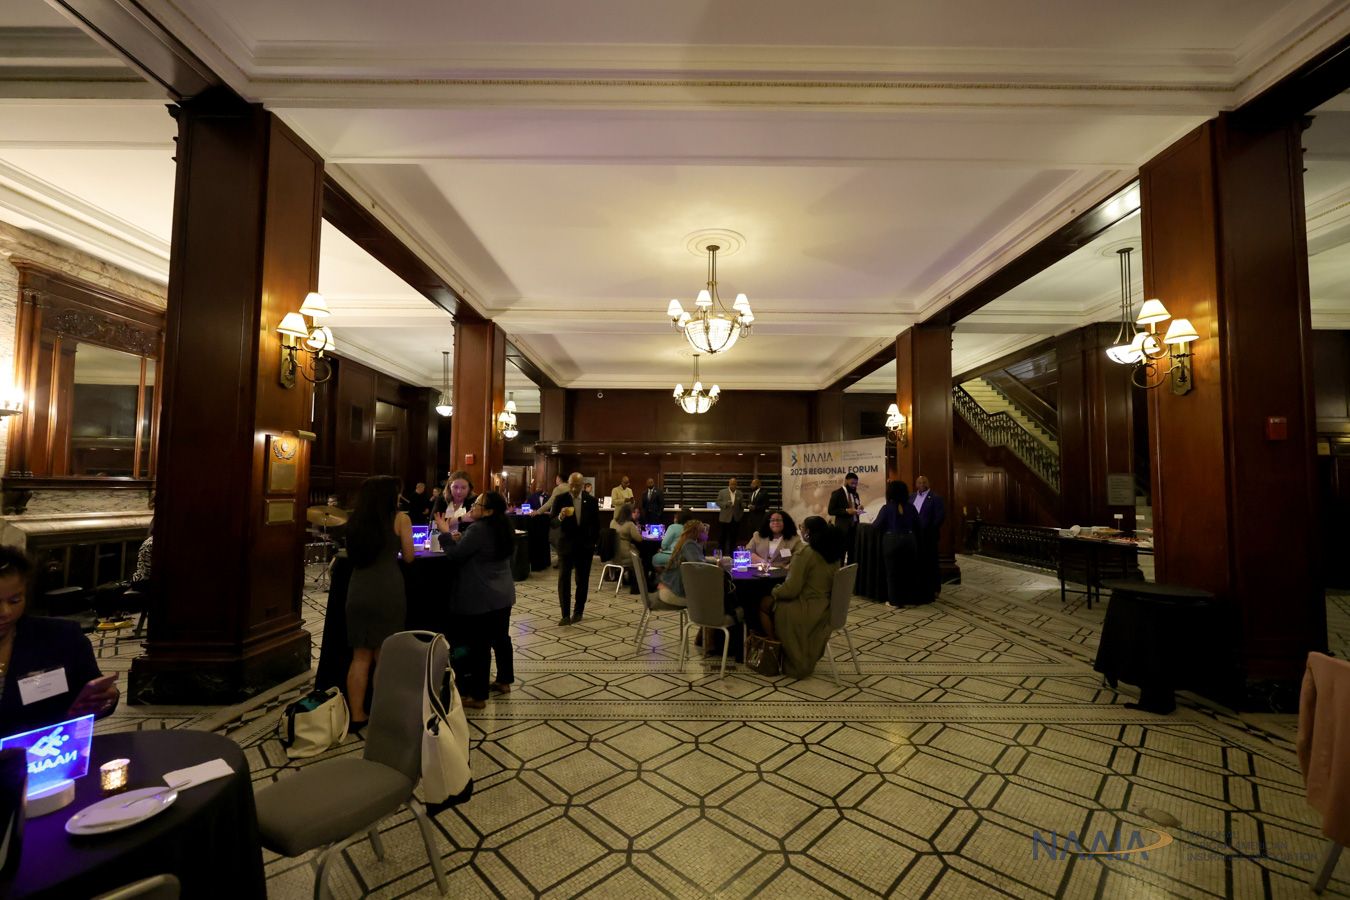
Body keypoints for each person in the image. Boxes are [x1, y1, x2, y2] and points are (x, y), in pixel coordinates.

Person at [0, 546, 120, 733]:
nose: (6, 612)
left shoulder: (62, 638)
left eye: (15, 600)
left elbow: (91, 692)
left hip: (46, 748)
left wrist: (105, 698)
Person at [344, 475, 414, 730]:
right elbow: (409, 556)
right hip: (387, 590)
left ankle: (357, 715)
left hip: (359, 589)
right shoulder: (400, 519)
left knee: (360, 657)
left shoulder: (355, 520)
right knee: (384, 657)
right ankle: (381, 715)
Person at [438, 491, 515, 709]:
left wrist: (445, 533)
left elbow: (456, 556)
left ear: (488, 511)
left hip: (482, 596)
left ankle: (477, 695)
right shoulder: (504, 526)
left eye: (478, 504)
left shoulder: (479, 529)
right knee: (501, 638)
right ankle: (504, 680)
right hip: (503, 594)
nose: (473, 506)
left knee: (479, 645)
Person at [759, 516, 844, 679]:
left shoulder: (805, 553)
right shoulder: (833, 553)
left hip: (803, 608)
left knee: (764, 603)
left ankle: (776, 651)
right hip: (825, 608)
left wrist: (775, 591)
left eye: (802, 527)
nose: (800, 530)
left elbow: (791, 589)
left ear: (808, 532)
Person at [553, 472, 599, 625]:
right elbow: (552, 522)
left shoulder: (591, 501)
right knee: (564, 579)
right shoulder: (561, 499)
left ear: (582, 485)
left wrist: (593, 543)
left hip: (585, 547)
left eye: (577, 486)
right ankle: (565, 614)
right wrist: (560, 516)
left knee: (582, 580)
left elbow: (596, 525)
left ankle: (578, 611)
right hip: (566, 545)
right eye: (571, 485)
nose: (573, 489)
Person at [872, 480, 918, 607]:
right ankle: (910, 600)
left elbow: (876, 526)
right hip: (909, 540)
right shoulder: (911, 507)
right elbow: (918, 524)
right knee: (909, 571)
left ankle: (894, 601)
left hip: (891, 541)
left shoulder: (886, 508)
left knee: (892, 572)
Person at [657, 520, 710, 608]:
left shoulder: (686, 542)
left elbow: (699, 559)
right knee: (715, 594)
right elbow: (699, 566)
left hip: (670, 586)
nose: (706, 533)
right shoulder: (689, 544)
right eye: (703, 531)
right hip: (676, 591)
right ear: (695, 532)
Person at [912, 475, 946, 603]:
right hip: (914, 536)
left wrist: (928, 530)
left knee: (931, 563)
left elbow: (939, 517)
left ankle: (935, 589)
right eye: (919, 482)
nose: (921, 484)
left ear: (928, 483)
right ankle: (919, 587)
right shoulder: (911, 497)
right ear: (916, 484)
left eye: (924, 482)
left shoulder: (936, 498)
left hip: (929, 537)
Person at [828, 472, 864, 562]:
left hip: (854, 528)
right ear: (846, 481)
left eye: (856, 483)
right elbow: (831, 511)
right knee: (841, 554)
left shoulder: (855, 494)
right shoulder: (837, 493)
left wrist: (859, 508)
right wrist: (846, 511)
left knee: (853, 554)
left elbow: (856, 507)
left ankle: (851, 570)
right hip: (842, 530)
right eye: (852, 483)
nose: (854, 486)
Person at [610, 503, 643, 595]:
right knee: (638, 557)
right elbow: (639, 538)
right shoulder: (629, 524)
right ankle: (636, 585)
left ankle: (623, 578)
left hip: (613, 553)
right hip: (625, 554)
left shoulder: (613, 522)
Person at [435, 471, 476, 537]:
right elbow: (434, 524)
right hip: (442, 540)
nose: (459, 491)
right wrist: (460, 518)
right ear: (449, 487)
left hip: (464, 541)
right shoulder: (441, 500)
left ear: (469, 488)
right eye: (455, 487)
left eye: (463, 488)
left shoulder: (474, 502)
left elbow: (476, 529)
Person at [715, 477, 745, 557]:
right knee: (722, 537)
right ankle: (721, 555)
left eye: (734, 484)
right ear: (729, 484)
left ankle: (732, 555)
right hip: (724, 519)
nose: (733, 486)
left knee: (733, 538)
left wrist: (740, 515)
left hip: (735, 519)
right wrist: (725, 504)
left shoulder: (740, 493)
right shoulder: (722, 492)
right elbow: (718, 502)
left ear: (736, 485)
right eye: (731, 484)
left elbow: (741, 505)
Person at [746, 478, 770, 543]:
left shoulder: (764, 493)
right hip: (751, 518)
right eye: (751, 483)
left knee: (759, 536)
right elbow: (750, 503)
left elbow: (767, 505)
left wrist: (756, 508)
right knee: (750, 536)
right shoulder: (751, 494)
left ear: (758, 484)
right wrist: (748, 506)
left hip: (759, 518)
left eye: (753, 483)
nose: (751, 485)